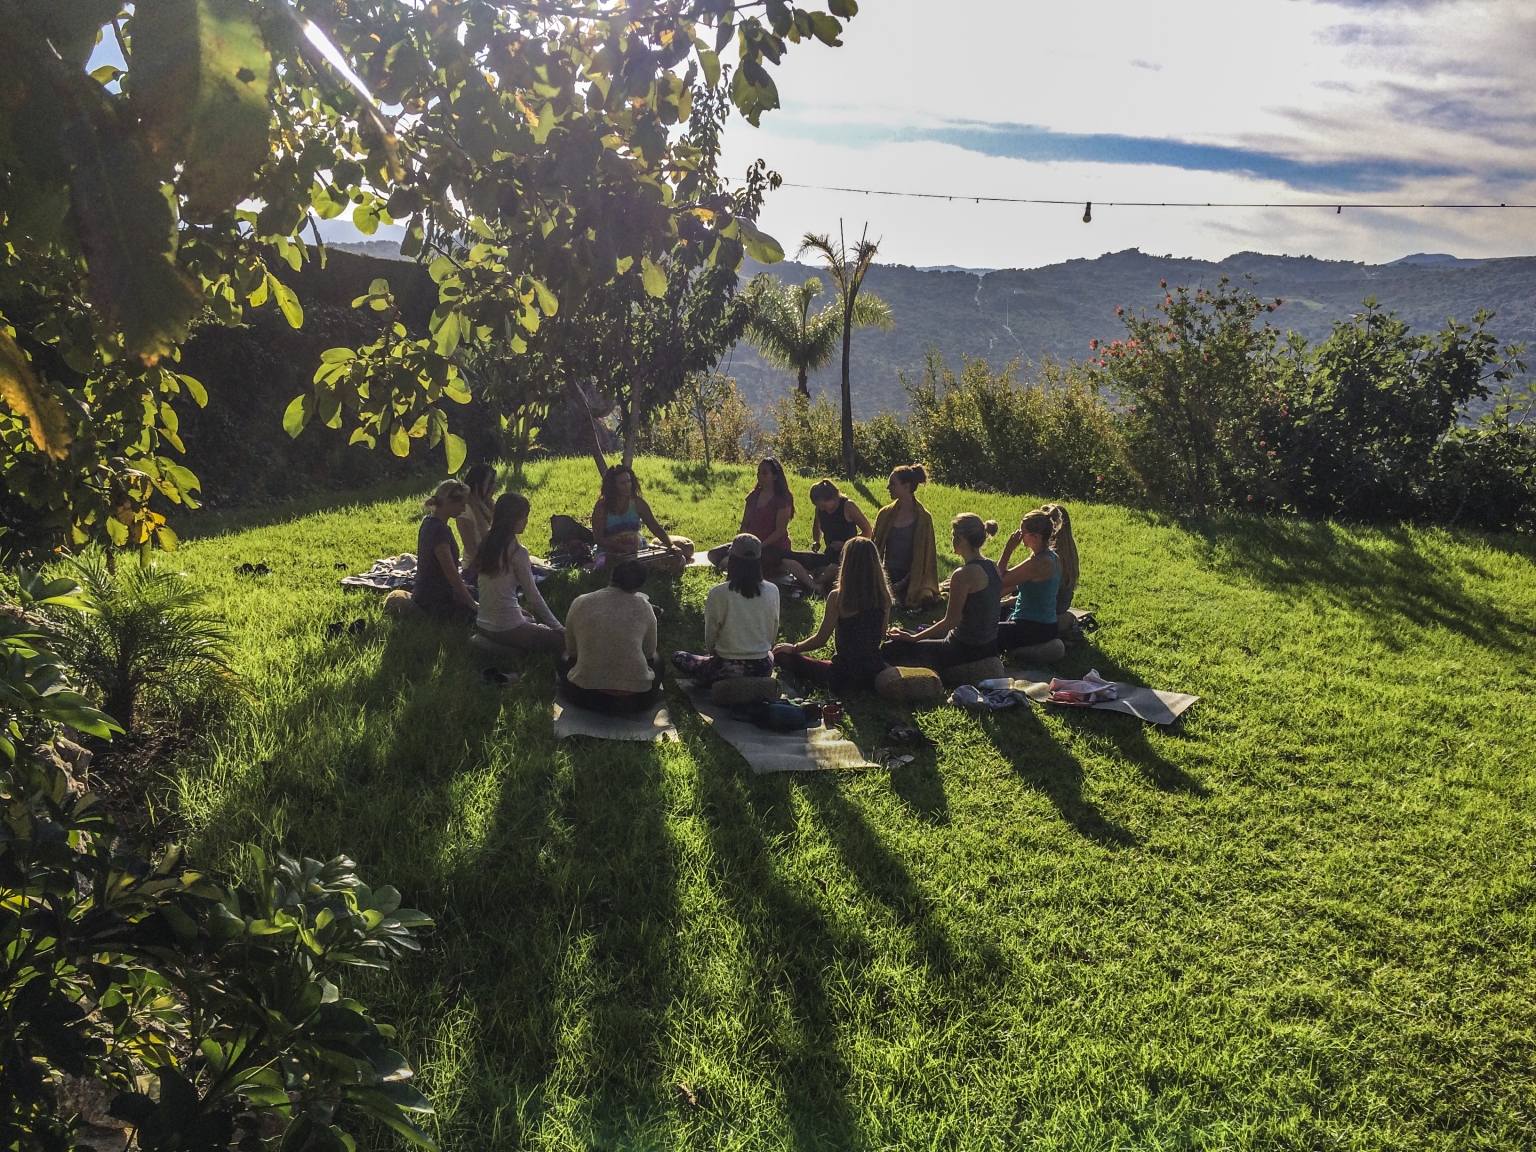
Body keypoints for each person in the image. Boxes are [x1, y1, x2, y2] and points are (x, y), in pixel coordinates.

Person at [880, 514, 1001, 672]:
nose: (951, 539)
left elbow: (950, 622)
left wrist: (914, 638)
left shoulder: (963, 574)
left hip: (965, 649)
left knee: (891, 648)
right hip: (989, 645)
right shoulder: (993, 566)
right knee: (919, 629)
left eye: (953, 535)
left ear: (961, 539)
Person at [774, 537, 891, 694]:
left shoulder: (838, 597)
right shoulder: (883, 596)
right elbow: (882, 634)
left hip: (843, 675)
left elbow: (821, 639)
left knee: (782, 655)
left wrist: (794, 648)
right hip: (874, 673)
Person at [673, 533, 781, 687]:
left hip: (725, 667)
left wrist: (714, 655)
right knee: (770, 654)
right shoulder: (773, 590)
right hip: (762, 667)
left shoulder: (719, 593)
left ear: (731, 558)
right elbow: (773, 630)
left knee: (679, 657)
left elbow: (711, 632)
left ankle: (718, 682)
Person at [559, 559, 666, 713]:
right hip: (636, 701)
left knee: (562, 657)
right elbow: (649, 653)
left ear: (611, 576)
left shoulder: (580, 602)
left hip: (584, 696)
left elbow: (572, 651)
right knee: (658, 660)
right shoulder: (645, 607)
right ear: (638, 587)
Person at [471, 492, 565, 651]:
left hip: (482, 623)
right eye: (524, 516)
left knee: (528, 617)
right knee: (561, 641)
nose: (526, 521)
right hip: (506, 627)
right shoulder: (518, 552)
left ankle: (486, 641)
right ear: (513, 519)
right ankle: (506, 649)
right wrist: (558, 627)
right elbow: (533, 596)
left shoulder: (488, 543)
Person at [708, 458, 818, 592]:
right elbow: (745, 523)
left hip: (773, 547)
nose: (760, 476)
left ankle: (762, 568)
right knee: (714, 554)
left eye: (764, 473)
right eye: (759, 472)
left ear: (775, 477)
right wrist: (738, 544)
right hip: (751, 545)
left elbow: (779, 531)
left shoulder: (782, 500)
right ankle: (754, 568)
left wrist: (760, 545)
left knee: (753, 560)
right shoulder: (753, 496)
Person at [871, 464, 940, 608]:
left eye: (892, 484)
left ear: (906, 487)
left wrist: (903, 583)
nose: (888, 488)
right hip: (888, 573)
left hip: (912, 576)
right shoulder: (885, 514)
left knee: (924, 597)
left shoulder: (924, 518)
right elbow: (875, 548)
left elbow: (925, 558)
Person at [590, 464, 683, 570]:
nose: (627, 486)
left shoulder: (638, 503)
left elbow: (655, 527)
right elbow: (598, 538)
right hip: (608, 553)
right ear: (613, 486)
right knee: (603, 566)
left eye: (629, 481)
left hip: (638, 551)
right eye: (622, 483)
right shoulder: (602, 506)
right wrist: (621, 548)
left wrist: (671, 545)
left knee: (680, 560)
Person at [413, 480, 479, 622]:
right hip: (436, 600)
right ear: (449, 502)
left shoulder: (429, 521)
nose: (464, 509)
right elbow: (450, 572)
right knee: (485, 615)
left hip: (435, 592)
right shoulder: (439, 531)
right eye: (462, 504)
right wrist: (472, 604)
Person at [808, 477, 872, 590]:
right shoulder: (820, 510)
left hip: (848, 554)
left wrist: (845, 544)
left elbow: (868, 531)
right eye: (819, 507)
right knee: (795, 560)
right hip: (829, 554)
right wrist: (816, 540)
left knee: (834, 569)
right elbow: (816, 525)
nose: (822, 509)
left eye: (824, 506)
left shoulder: (848, 506)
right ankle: (817, 580)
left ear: (831, 498)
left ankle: (813, 583)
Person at [456, 463, 497, 573]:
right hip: (475, 565)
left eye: (495, 483)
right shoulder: (465, 510)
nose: (494, 487)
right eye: (490, 482)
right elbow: (470, 548)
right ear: (478, 483)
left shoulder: (493, 504)